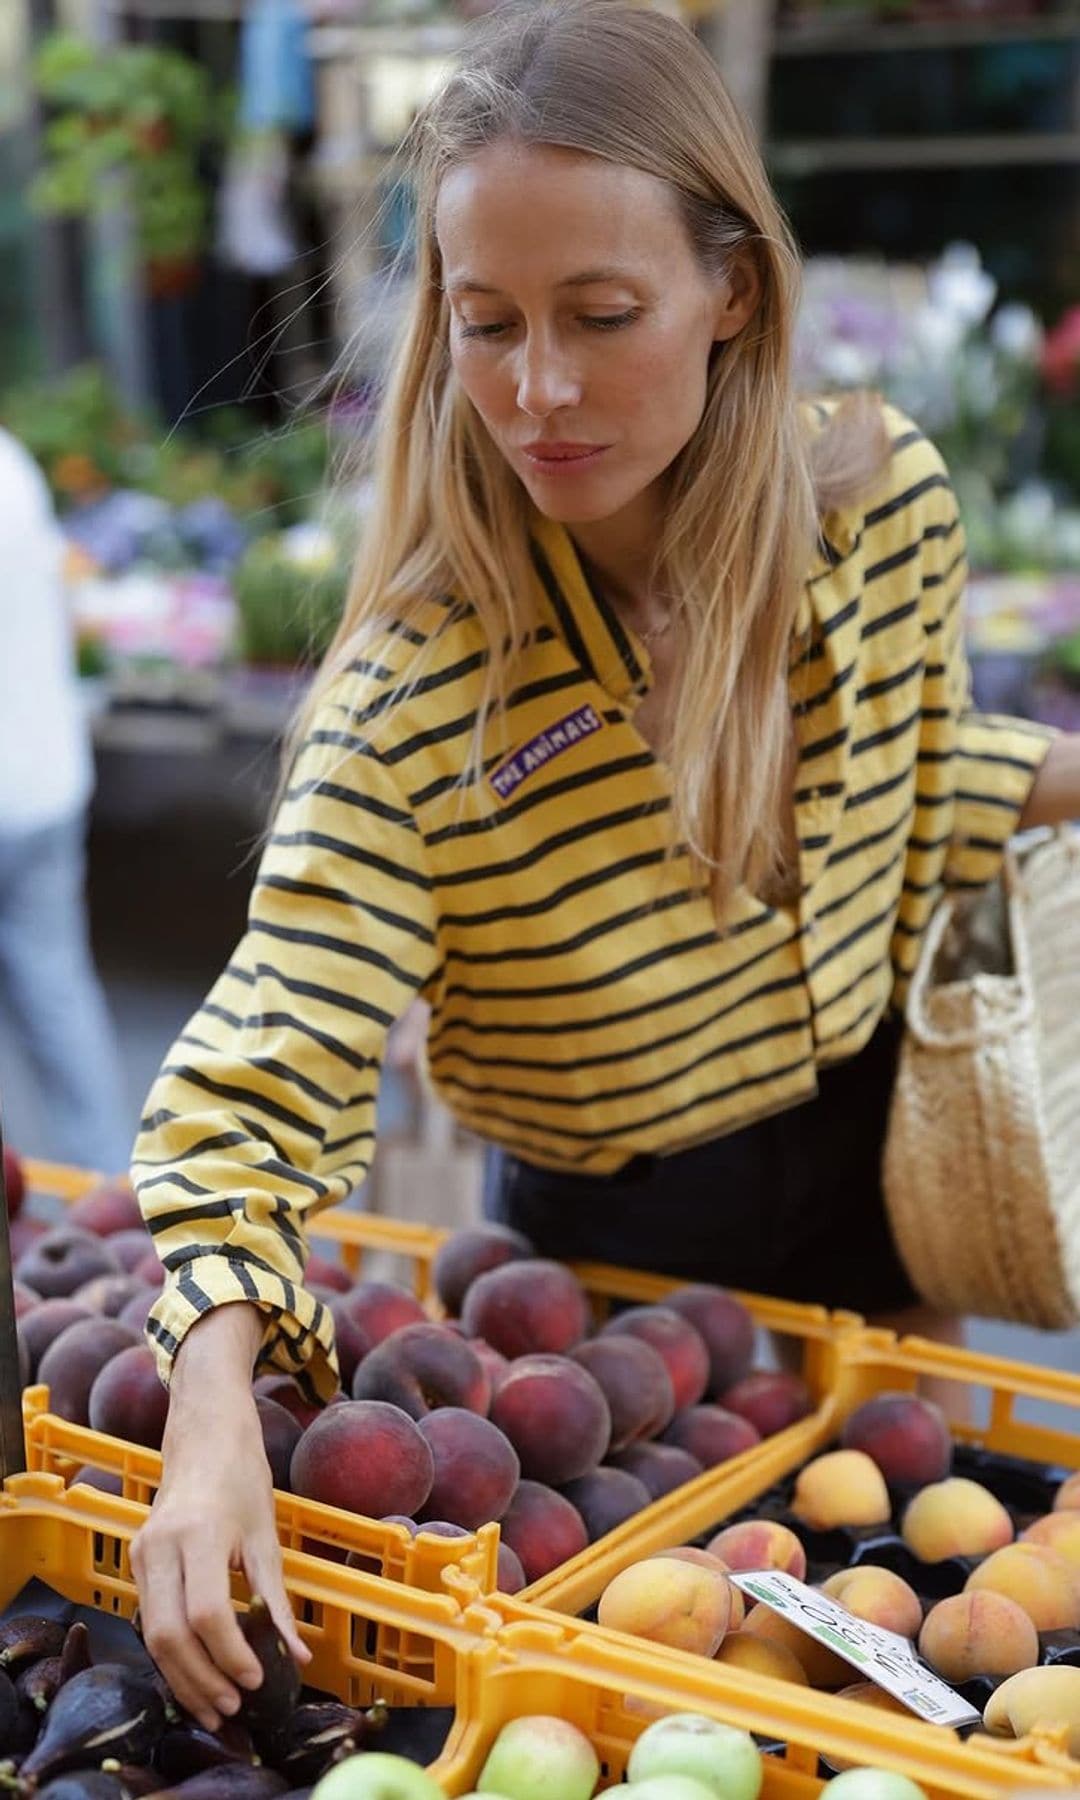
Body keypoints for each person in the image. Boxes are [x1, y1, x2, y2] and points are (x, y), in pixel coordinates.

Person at [128, 0, 1080, 1728]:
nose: (539, 391)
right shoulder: (421, 697)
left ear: (736, 289)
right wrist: (204, 1421)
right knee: (668, 1702)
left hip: (903, 1171)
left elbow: (921, 777)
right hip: (621, 1301)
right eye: (486, 324)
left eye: (603, 315)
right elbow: (259, 1072)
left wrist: (1062, 785)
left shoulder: (883, 507)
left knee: (927, 1656)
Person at [0, 426, 130, 1174]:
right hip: (45, 778)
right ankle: (112, 1200)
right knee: (59, 1003)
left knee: (58, 999)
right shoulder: (14, 461)